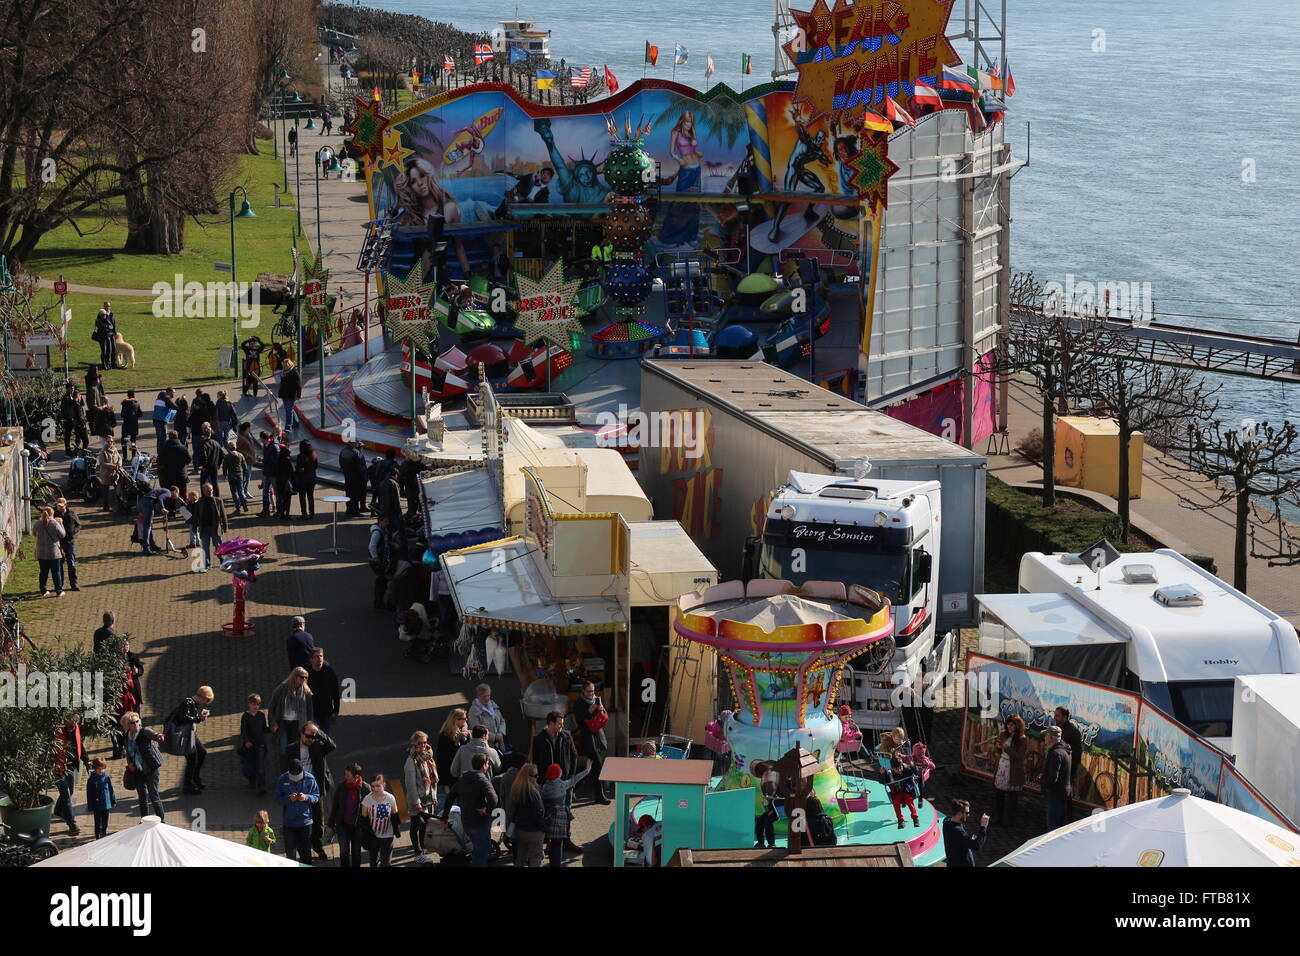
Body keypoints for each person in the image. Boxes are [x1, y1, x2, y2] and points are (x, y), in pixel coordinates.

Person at [444, 752, 497, 867]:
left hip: (467, 822)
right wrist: (487, 811)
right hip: (480, 823)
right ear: (484, 765)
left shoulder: (463, 779)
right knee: (481, 854)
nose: (488, 766)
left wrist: (444, 816)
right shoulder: (482, 780)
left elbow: (450, 797)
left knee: (475, 851)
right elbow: (493, 798)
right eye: (487, 764)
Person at [542, 762, 589, 866]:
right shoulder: (561, 785)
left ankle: (551, 860)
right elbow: (574, 780)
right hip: (560, 818)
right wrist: (587, 770)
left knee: (552, 841)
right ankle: (556, 863)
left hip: (548, 818)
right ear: (558, 774)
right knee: (558, 844)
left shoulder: (545, 787)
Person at [121, 712, 165, 819]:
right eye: (132, 723)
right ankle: (144, 821)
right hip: (137, 769)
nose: (136, 724)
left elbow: (154, 735)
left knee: (154, 796)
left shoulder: (144, 731)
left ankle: (162, 821)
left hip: (151, 768)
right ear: (127, 725)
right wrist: (130, 764)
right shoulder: (127, 736)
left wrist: (158, 736)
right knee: (142, 797)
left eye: (137, 721)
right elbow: (128, 752)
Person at [404, 731, 439, 865]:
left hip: (428, 798)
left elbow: (432, 779)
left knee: (425, 825)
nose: (423, 745)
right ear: (413, 743)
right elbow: (411, 785)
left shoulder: (428, 758)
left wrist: (434, 796)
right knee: (416, 825)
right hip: (417, 799)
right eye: (420, 743)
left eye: (425, 742)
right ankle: (418, 852)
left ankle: (423, 848)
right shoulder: (411, 761)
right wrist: (417, 802)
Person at [276, 758, 319, 864]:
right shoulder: (282, 779)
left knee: (306, 855)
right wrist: (289, 799)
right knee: (290, 856)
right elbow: (277, 799)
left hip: (305, 823)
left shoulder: (310, 778)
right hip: (289, 824)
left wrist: (306, 797)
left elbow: (316, 796)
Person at [170, 686, 213, 794]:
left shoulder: (194, 703)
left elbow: (189, 716)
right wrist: (198, 719)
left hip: (190, 733)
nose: (206, 703)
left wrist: (199, 716)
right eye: (207, 700)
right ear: (203, 697)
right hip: (184, 735)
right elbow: (183, 717)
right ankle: (188, 785)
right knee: (192, 759)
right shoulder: (188, 702)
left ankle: (195, 778)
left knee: (202, 753)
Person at [572, 681, 611, 803]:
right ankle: (599, 795)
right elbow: (580, 720)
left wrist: (601, 709)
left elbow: (604, 716)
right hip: (587, 738)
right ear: (583, 691)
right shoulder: (579, 703)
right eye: (589, 691)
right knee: (597, 766)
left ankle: (573, 788)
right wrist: (589, 710)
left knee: (592, 769)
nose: (591, 694)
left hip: (597, 736)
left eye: (593, 691)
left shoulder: (596, 700)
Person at [53, 718, 89, 835]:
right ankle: (72, 823)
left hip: (70, 767)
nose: (74, 726)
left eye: (76, 723)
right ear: (65, 720)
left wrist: (87, 761)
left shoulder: (76, 729)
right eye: (71, 723)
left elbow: (79, 746)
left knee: (70, 791)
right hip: (58, 768)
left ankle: (58, 811)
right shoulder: (57, 731)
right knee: (66, 794)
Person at [327, 763, 366, 868]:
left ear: (356, 777)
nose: (345, 777)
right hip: (343, 825)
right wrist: (330, 823)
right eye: (345, 774)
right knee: (344, 853)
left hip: (357, 827)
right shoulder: (341, 786)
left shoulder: (365, 788)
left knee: (356, 853)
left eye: (348, 775)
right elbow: (335, 805)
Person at [994, 714, 1028, 825]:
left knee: (1012, 796)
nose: (1009, 727)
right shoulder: (1003, 734)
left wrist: (1007, 748)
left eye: (1012, 725)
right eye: (1008, 724)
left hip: (1013, 769)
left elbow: (1019, 756)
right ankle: (999, 818)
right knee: (999, 794)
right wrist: (998, 747)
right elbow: (1000, 750)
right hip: (1002, 766)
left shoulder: (1022, 739)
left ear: (1018, 726)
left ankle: (1010, 820)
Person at [269, 666, 313, 753]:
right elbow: (271, 708)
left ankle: (293, 766)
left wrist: (310, 726)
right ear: (295, 677)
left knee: (295, 749)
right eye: (302, 677)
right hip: (283, 723)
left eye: (306, 677)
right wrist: (273, 723)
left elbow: (310, 710)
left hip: (298, 724)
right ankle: (285, 766)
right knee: (284, 749)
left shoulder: (306, 691)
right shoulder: (282, 689)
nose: (304, 679)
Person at [510, 763, 546, 866]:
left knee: (521, 857)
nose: (537, 777)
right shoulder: (533, 794)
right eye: (536, 775)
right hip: (534, 832)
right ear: (529, 777)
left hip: (521, 830)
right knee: (535, 859)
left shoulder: (517, 789)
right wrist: (544, 829)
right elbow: (537, 815)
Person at [361, 773, 400, 867]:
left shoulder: (390, 798)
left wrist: (396, 831)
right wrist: (366, 835)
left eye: (378, 786)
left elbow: (395, 816)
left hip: (387, 835)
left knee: (385, 863)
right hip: (373, 835)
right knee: (373, 862)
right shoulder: (367, 799)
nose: (375, 789)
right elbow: (363, 819)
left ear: (384, 784)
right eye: (373, 786)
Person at [188, 483, 227, 572]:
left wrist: (225, 527)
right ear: (204, 492)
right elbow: (196, 516)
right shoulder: (200, 502)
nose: (210, 492)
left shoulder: (218, 501)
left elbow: (223, 515)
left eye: (211, 490)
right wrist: (194, 527)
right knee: (205, 548)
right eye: (208, 491)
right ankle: (207, 565)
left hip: (215, 528)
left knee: (218, 546)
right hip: (204, 529)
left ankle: (223, 561)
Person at [1041, 724, 1073, 832]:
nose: (1044, 738)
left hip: (1056, 795)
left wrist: (1043, 782)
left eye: (1046, 735)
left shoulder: (1055, 753)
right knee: (1060, 827)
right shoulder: (1065, 750)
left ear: (1050, 737)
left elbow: (1053, 778)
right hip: (1063, 794)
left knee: (1054, 829)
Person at [240, 693, 271, 794]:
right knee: (251, 765)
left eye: (258, 704)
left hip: (260, 745)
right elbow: (243, 731)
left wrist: (272, 728)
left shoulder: (261, 715)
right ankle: (252, 780)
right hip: (249, 746)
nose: (256, 707)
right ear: (249, 704)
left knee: (260, 766)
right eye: (254, 704)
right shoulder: (245, 716)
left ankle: (262, 786)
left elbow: (264, 729)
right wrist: (246, 741)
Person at [942, 799, 989, 867]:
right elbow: (976, 845)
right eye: (967, 813)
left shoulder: (947, 821)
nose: (968, 815)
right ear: (959, 813)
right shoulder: (957, 831)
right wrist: (983, 827)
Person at [307, 647, 341, 735]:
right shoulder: (306, 673)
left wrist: (335, 711)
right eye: (317, 656)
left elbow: (335, 692)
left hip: (327, 712)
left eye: (321, 656)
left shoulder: (329, 672)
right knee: (314, 737)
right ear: (311, 659)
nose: (320, 659)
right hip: (313, 712)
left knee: (326, 738)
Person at [34, 505, 66, 597]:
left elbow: (33, 533)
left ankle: (43, 590)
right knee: (56, 572)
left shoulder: (38, 523)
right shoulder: (54, 523)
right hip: (53, 552)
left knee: (43, 572)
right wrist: (60, 523)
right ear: (52, 514)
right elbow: (63, 534)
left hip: (41, 552)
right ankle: (58, 591)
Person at [137, 485, 177, 555]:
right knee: (147, 527)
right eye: (177, 493)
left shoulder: (162, 490)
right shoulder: (168, 492)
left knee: (149, 526)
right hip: (147, 503)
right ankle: (146, 548)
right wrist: (163, 508)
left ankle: (152, 545)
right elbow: (160, 498)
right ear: (175, 491)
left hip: (142, 502)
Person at [884, 752, 920, 829]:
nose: (899, 770)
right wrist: (882, 774)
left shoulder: (907, 769)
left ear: (902, 765)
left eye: (900, 767)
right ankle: (900, 820)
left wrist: (913, 766)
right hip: (897, 793)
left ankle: (915, 818)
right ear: (892, 768)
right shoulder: (890, 774)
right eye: (896, 769)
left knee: (909, 801)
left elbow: (916, 773)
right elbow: (883, 781)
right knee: (896, 803)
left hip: (907, 792)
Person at [436, 707, 470, 789]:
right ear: (456, 720)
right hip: (450, 773)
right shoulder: (446, 735)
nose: (466, 720)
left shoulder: (460, 730)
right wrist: (461, 738)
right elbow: (451, 753)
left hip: (457, 770)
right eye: (464, 719)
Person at [467, 682, 507, 750]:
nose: (487, 698)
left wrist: (501, 733)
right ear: (478, 696)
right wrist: (494, 737)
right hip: (484, 748)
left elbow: (502, 720)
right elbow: (476, 729)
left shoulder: (493, 705)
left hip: (499, 745)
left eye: (488, 695)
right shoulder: (473, 711)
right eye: (484, 696)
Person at [1055, 706, 1086, 794]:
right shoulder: (1056, 729)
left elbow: (1076, 754)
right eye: (1055, 715)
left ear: (1064, 717)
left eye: (1057, 715)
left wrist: (1068, 769)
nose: (1054, 717)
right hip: (1055, 768)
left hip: (1066, 770)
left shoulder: (1074, 732)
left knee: (1063, 795)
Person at [53, 499, 81, 591]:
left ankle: (74, 583)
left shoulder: (71, 514)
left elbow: (78, 525)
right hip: (59, 543)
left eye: (62, 506)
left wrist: (73, 532)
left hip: (70, 542)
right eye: (58, 506)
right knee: (59, 564)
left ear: (66, 505)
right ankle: (60, 585)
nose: (60, 508)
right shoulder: (54, 515)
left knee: (71, 563)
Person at [85, 757, 115, 840]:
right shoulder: (91, 780)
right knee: (98, 821)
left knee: (105, 821)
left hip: (106, 803)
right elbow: (89, 794)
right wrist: (90, 806)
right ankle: (97, 835)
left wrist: (113, 800)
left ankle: (104, 833)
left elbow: (110, 789)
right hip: (97, 804)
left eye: (103, 769)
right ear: (94, 768)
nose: (101, 771)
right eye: (99, 769)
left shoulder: (106, 777)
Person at [158, 430, 190, 497]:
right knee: (183, 495)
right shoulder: (183, 448)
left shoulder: (164, 448)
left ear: (169, 437)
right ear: (177, 437)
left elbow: (159, 461)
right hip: (181, 476)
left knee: (169, 496)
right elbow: (189, 460)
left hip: (168, 477)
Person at [96, 436, 124, 514]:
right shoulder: (103, 451)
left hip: (115, 474)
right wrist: (113, 466)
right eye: (108, 441)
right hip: (106, 474)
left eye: (111, 441)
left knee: (117, 489)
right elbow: (102, 463)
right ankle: (106, 507)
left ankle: (118, 505)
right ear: (106, 442)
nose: (110, 443)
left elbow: (119, 458)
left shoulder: (114, 449)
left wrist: (119, 464)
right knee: (105, 492)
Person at [340, 440, 368, 516]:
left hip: (347, 477)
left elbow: (341, 464)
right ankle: (355, 512)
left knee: (348, 494)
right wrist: (363, 478)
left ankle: (349, 510)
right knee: (355, 495)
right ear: (353, 443)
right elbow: (361, 467)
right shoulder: (357, 453)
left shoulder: (343, 451)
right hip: (357, 478)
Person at [368, 515, 389, 609]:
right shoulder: (377, 533)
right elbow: (372, 546)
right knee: (381, 580)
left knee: (382, 580)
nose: (387, 524)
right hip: (378, 561)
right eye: (385, 522)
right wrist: (376, 558)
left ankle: (380, 600)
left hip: (382, 559)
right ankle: (378, 601)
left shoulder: (383, 530)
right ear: (380, 521)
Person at [223, 439, 249, 514]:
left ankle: (238, 507)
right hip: (239, 475)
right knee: (240, 490)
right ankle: (244, 503)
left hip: (231, 475)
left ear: (229, 448)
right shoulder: (240, 455)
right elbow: (244, 466)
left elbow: (224, 467)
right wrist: (244, 473)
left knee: (234, 492)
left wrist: (225, 475)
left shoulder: (227, 456)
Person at [197, 423, 224, 496]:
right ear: (210, 434)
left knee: (203, 483)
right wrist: (218, 464)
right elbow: (222, 455)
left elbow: (204, 455)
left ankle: (204, 497)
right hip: (214, 466)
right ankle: (217, 497)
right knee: (215, 482)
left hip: (207, 467)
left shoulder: (203, 444)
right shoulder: (216, 443)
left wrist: (204, 466)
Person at [295, 439, 318, 517]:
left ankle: (304, 514)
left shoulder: (300, 456)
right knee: (310, 496)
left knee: (302, 497)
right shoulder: (314, 454)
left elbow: (298, 468)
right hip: (312, 478)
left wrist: (302, 469)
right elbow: (316, 466)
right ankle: (312, 513)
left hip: (303, 479)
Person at [278, 358, 301, 432]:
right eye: (283, 366)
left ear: (289, 365)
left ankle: (288, 427)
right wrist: (280, 393)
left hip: (291, 394)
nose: (284, 367)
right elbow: (282, 383)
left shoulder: (294, 372)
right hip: (284, 394)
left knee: (288, 410)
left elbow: (298, 385)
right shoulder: (284, 372)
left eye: (286, 366)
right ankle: (296, 422)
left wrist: (298, 395)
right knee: (289, 409)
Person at [274, 442, 294, 519]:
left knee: (281, 499)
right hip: (286, 483)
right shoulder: (288, 463)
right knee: (287, 500)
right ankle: (287, 515)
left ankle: (281, 514)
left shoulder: (278, 461)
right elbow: (291, 473)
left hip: (279, 482)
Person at [94, 301, 116, 369]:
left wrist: (114, 331)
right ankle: (106, 364)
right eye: (106, 306)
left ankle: (113, 363)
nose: (107, 307)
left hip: (112, 334)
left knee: (114, 349)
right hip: (105, 335)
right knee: (106, 351)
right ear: (104, 307)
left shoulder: (111, 314)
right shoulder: (101, 313)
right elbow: (99, 325)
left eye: (108, 306)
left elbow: (113, 324)